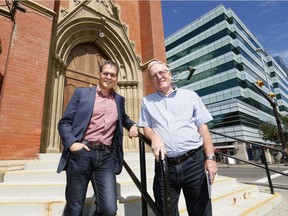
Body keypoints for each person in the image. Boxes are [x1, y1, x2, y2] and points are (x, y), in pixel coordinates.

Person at [57, 60, 138, 216]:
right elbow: (65, 122)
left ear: (116, 78)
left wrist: (132, 125)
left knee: (109, 209)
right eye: (105, 73)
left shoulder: (119, 100)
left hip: (107, 157)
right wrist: (72, 144)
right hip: (82, 152)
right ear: (99, 74)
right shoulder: (81, 93)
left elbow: (124, 117)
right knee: (75, 208)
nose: (109, 77)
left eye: (112, 75)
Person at [139, 60, 218, 216]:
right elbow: (146, 126)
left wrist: (210, 158)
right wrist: (154, 136)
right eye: (154, 75)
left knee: (201, 211)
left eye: (162, 72)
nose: (159, 77)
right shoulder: (147, 102)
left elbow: (203, 127)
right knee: (166, 211)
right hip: (164, 165)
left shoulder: (190, 96)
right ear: (150, 80)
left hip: (194, 162)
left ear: (170, 74)